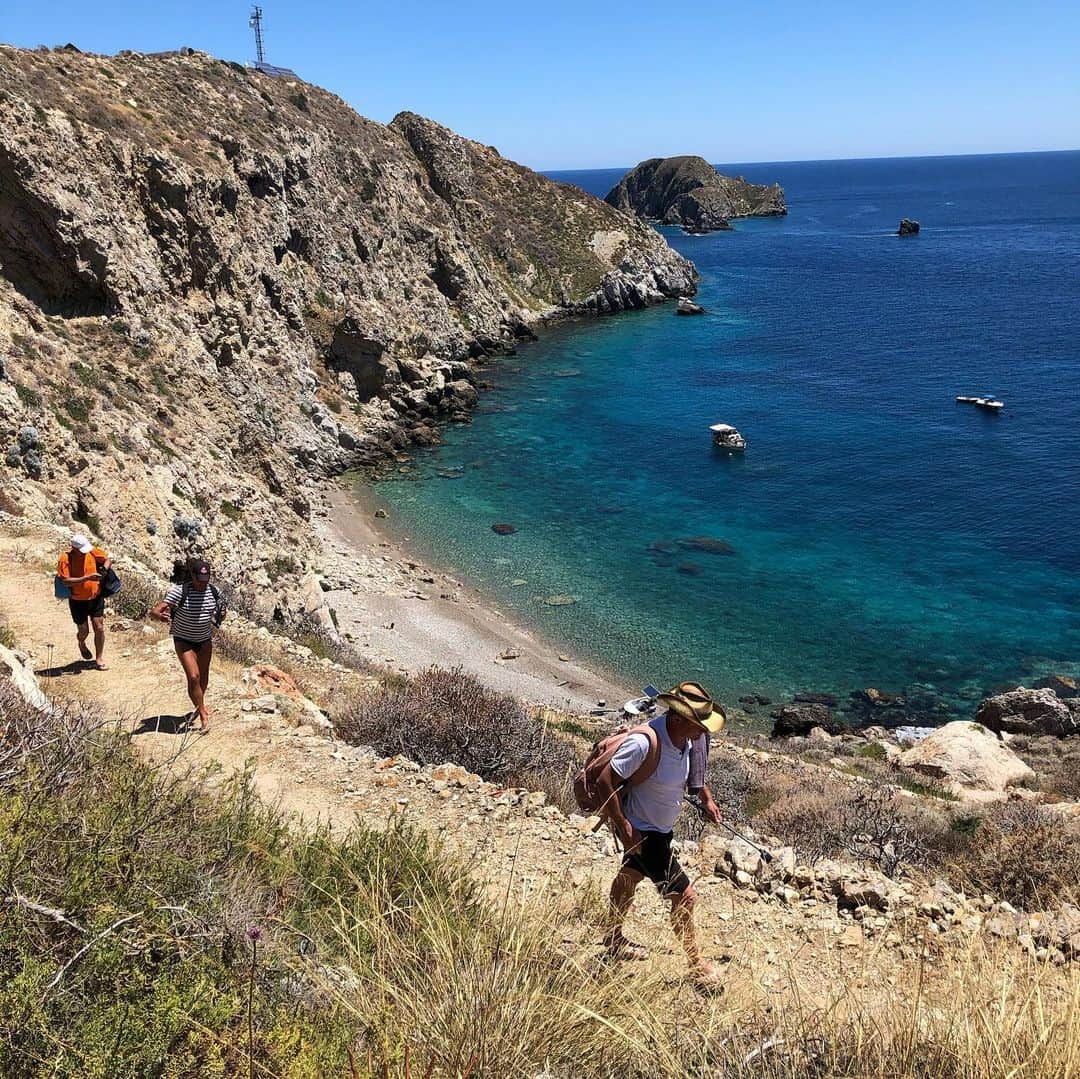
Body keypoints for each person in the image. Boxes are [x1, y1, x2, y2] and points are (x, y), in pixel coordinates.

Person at [596, 680, 727, 988]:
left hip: (660, 830)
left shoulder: (688, 740)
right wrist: (623, 825)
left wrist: (705, 797)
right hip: (645, 832)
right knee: (685, 896)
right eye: (699, 723)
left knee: (629, 876)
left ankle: (613, 938)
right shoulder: (645, 743)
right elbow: (605, 780)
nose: (703, 731)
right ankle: (697, 964)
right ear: (678, 718)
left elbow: (684, 776)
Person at [151, 558, 226, 734]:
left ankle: (199, 704)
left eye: (205, 581)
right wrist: (160, 616)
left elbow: (218, 616)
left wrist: (222, 615)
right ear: (192, 576)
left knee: (203, 678)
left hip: (204, 640)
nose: (202, 585)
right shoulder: (179, 592)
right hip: (183, 640)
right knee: (193, 677)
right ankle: (203, 715)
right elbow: (155, 610)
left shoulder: (214, 592)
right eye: (199, 581)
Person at [56, 532, 112, 670]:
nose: (84, 553)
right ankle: (81, 643)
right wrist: (87, 578)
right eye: (81, 551)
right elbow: (66, 581)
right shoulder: (65, 558)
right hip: (77, 600)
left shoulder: (91, 551)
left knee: (99, 628)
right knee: (84, 631)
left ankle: (99, 658)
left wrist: (104, 570)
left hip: (95, 597)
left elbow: (108, 559)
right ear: (74, 548)